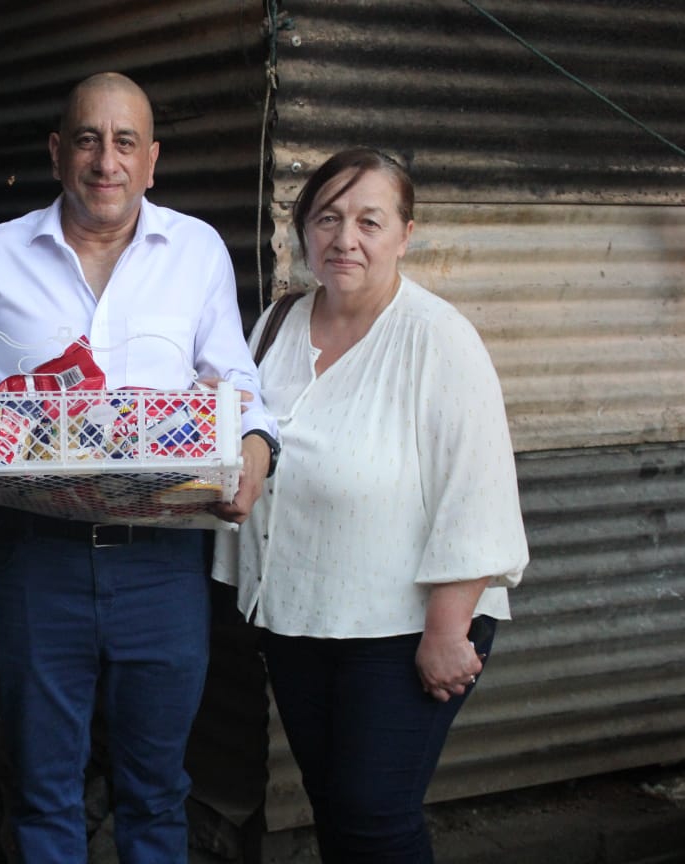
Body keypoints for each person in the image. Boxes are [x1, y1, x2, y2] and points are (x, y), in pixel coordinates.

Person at [0, 72, 279, 863]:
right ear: (56, 153)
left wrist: (255, 444)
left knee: (155, 789)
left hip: (162, 564)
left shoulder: (196, 252)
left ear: (152, 160)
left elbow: (236, 380)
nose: (104, 160)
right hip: (34, 560)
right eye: (86, 139)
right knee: (45, 789)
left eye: (123, 142)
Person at [213, 147, 530, 863]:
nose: (344, 239)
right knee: (338, 810)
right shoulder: (277, 324)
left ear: (405, 235)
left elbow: (475, 488)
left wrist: (448, 632)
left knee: (373, 816)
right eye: (327, 218)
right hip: (299, 617)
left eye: (368, 220)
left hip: (408, 629)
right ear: (304, 230)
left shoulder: (439, 339)